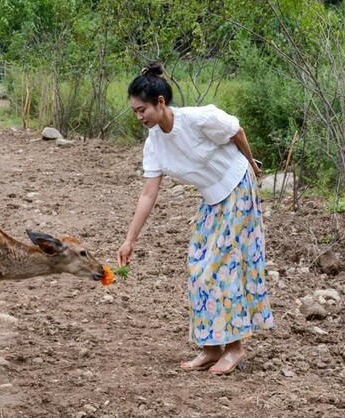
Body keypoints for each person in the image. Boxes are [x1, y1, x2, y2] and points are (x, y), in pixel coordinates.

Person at [117, 62, 274, 375]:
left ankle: (235, 347)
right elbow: (148, 194)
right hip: (211, 198)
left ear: (160, 103)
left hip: (236, 185)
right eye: (134, 111)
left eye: (142, 110)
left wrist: (252, 167)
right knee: (198, 268)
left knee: (222, 266)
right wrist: (129, 240)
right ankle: (211, 347)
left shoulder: (197, 119)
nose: (139, 117)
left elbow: (236, 131)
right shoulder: (154, 145)